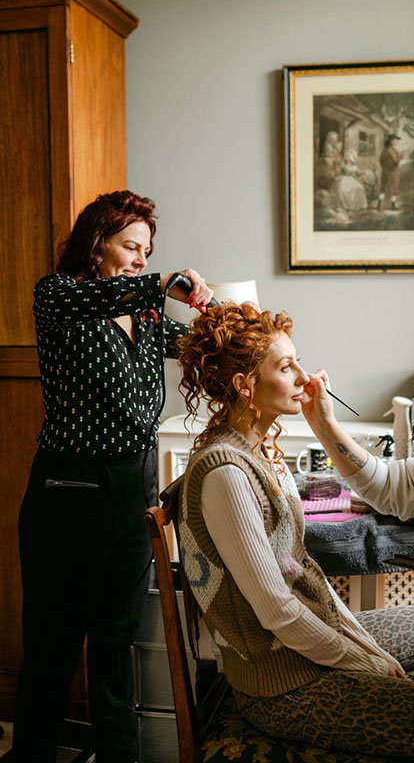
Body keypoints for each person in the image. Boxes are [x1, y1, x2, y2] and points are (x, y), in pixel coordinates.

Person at [177, 303, 414, 761]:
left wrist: (366, 648)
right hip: (284, 683)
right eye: (287, 367)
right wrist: (366, 663)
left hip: (311, 644)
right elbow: (277, 610)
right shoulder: (225, 473)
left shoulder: (263, 452)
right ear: (244, 386)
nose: (307, 378)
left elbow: (306, 571)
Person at [12, 190, 213, 763]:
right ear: (96, 243)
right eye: (130, 246)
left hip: (135, 493)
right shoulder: (58, 297)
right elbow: (112, 295)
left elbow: (201, 346)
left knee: (115, 638)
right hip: (68, 495)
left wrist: (232, 324)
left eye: (147, 252)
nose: (139, 259)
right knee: (53, 643)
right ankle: (30, 754)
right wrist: (167, 281)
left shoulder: (147, 315)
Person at [377, 133, 404, 210]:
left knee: (383, 188)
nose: (397, 142)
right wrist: (401, 156)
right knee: (394, 188)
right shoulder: (391, 150)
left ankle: (379, 205)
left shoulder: (385, 150)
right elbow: (396, 161)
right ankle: (393, 206)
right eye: (395, 140)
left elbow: (380, 161)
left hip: (385, 172)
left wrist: (385, 168)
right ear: (391, 141)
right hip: (393, 172)